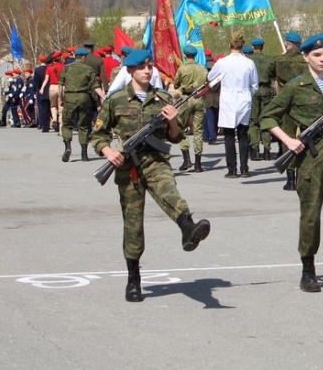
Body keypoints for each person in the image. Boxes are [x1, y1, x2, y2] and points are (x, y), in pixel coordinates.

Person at [90, 49, 211, 302]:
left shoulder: (163, 99)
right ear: (130, 70)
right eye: (141, 67)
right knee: (133, 224)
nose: (147, 71)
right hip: (129, 168)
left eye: (149, 66)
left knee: (170, 193)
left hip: (156, 162)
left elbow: (175, 137)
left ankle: (188, 227)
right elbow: (98, 135)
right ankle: (133, 278)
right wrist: (108, 152)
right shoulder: (116, 100)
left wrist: (174, 121)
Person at [261, 34, 323, 292]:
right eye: (317, 55)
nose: (322, 59)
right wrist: (288, 141)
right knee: (311, 214)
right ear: (306, 57)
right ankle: (308, 268)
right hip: (310, 154)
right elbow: (267, 117)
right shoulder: (296, 86)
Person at [208, 33, 258, 177]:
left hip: (228, 100)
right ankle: (244, 169)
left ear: (230, 45)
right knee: (243, 135)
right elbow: (254, 85)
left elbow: (210, 77)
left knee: (229, 136)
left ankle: (232, 169)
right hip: (244, 99)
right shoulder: (249, 63)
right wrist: (248, 95)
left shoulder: (222, 62)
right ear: (242, 45)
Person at [60, 47, 105, 162]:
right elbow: (95, 85)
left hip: (69, 97)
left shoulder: (67, 68)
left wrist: (61, 98)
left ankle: (68, 147)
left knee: (67, 124)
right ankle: (84, 154)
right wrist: (103, 96)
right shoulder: (89, 69)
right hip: (83, 98)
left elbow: (61, 85)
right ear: (84, 57)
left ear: (76, 57)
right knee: (83, 126)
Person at [171, 45, 208, 172]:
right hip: (199, 99)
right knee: (198, 130)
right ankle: (198, 163)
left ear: (185, 55)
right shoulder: (202, 69)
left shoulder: (182, 68)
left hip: (185, 99)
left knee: (180, 127)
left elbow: (176, 84)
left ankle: (186, 159)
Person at [246, 37, 275, 161]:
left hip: (253, 91)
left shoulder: (248, 60)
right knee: (266, 119)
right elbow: (273, 75)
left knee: (253, 121)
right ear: (263, 46)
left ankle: (255, 149)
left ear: (253, 47)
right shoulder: (270, 59)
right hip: (266, 89)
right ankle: (267, 150)